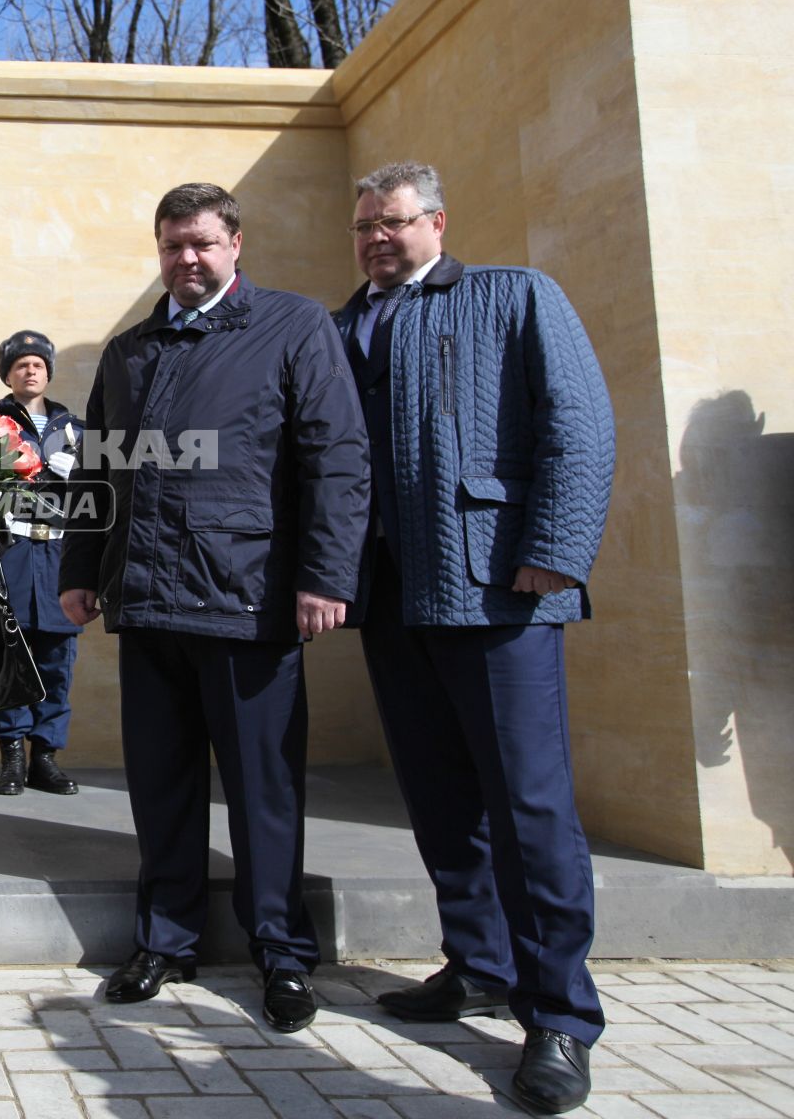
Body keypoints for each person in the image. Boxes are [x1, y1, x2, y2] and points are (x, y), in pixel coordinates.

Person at [335, 162, 614, 1113]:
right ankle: (482, 962)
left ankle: (562, 1016)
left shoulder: (514, 296)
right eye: (364, 224)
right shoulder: (344, 326)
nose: (377, 237)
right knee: (441, 799)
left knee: (530, 807)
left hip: (496, 592)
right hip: (394, 600)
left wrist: (559, 550)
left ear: (438, 223)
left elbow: (577, 423)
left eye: (394, 221)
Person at [59, 183, 369, 1033]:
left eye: (201, 243)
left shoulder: (293, 326)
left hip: (250, 600)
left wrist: (326, 574)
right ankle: (166, 940)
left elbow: (335, 455)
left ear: (236, 242)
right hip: (148, 601)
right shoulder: (131, 350)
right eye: (171, 246)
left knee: (263, 789)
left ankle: (282, 954)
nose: (186, 259)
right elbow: (97, 468)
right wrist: (83, 567)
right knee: (161, 786)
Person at [0, 330, 84, 797]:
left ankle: (45, 757)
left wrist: (79, 477)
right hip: (11, 559)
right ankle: (12, 758)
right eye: (20, 363)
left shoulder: (77, 430)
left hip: (60, 563)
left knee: (56, 665)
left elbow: (104, 503)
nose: (30, 369)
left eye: (38, 363)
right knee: (11, 664)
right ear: (7, 373)